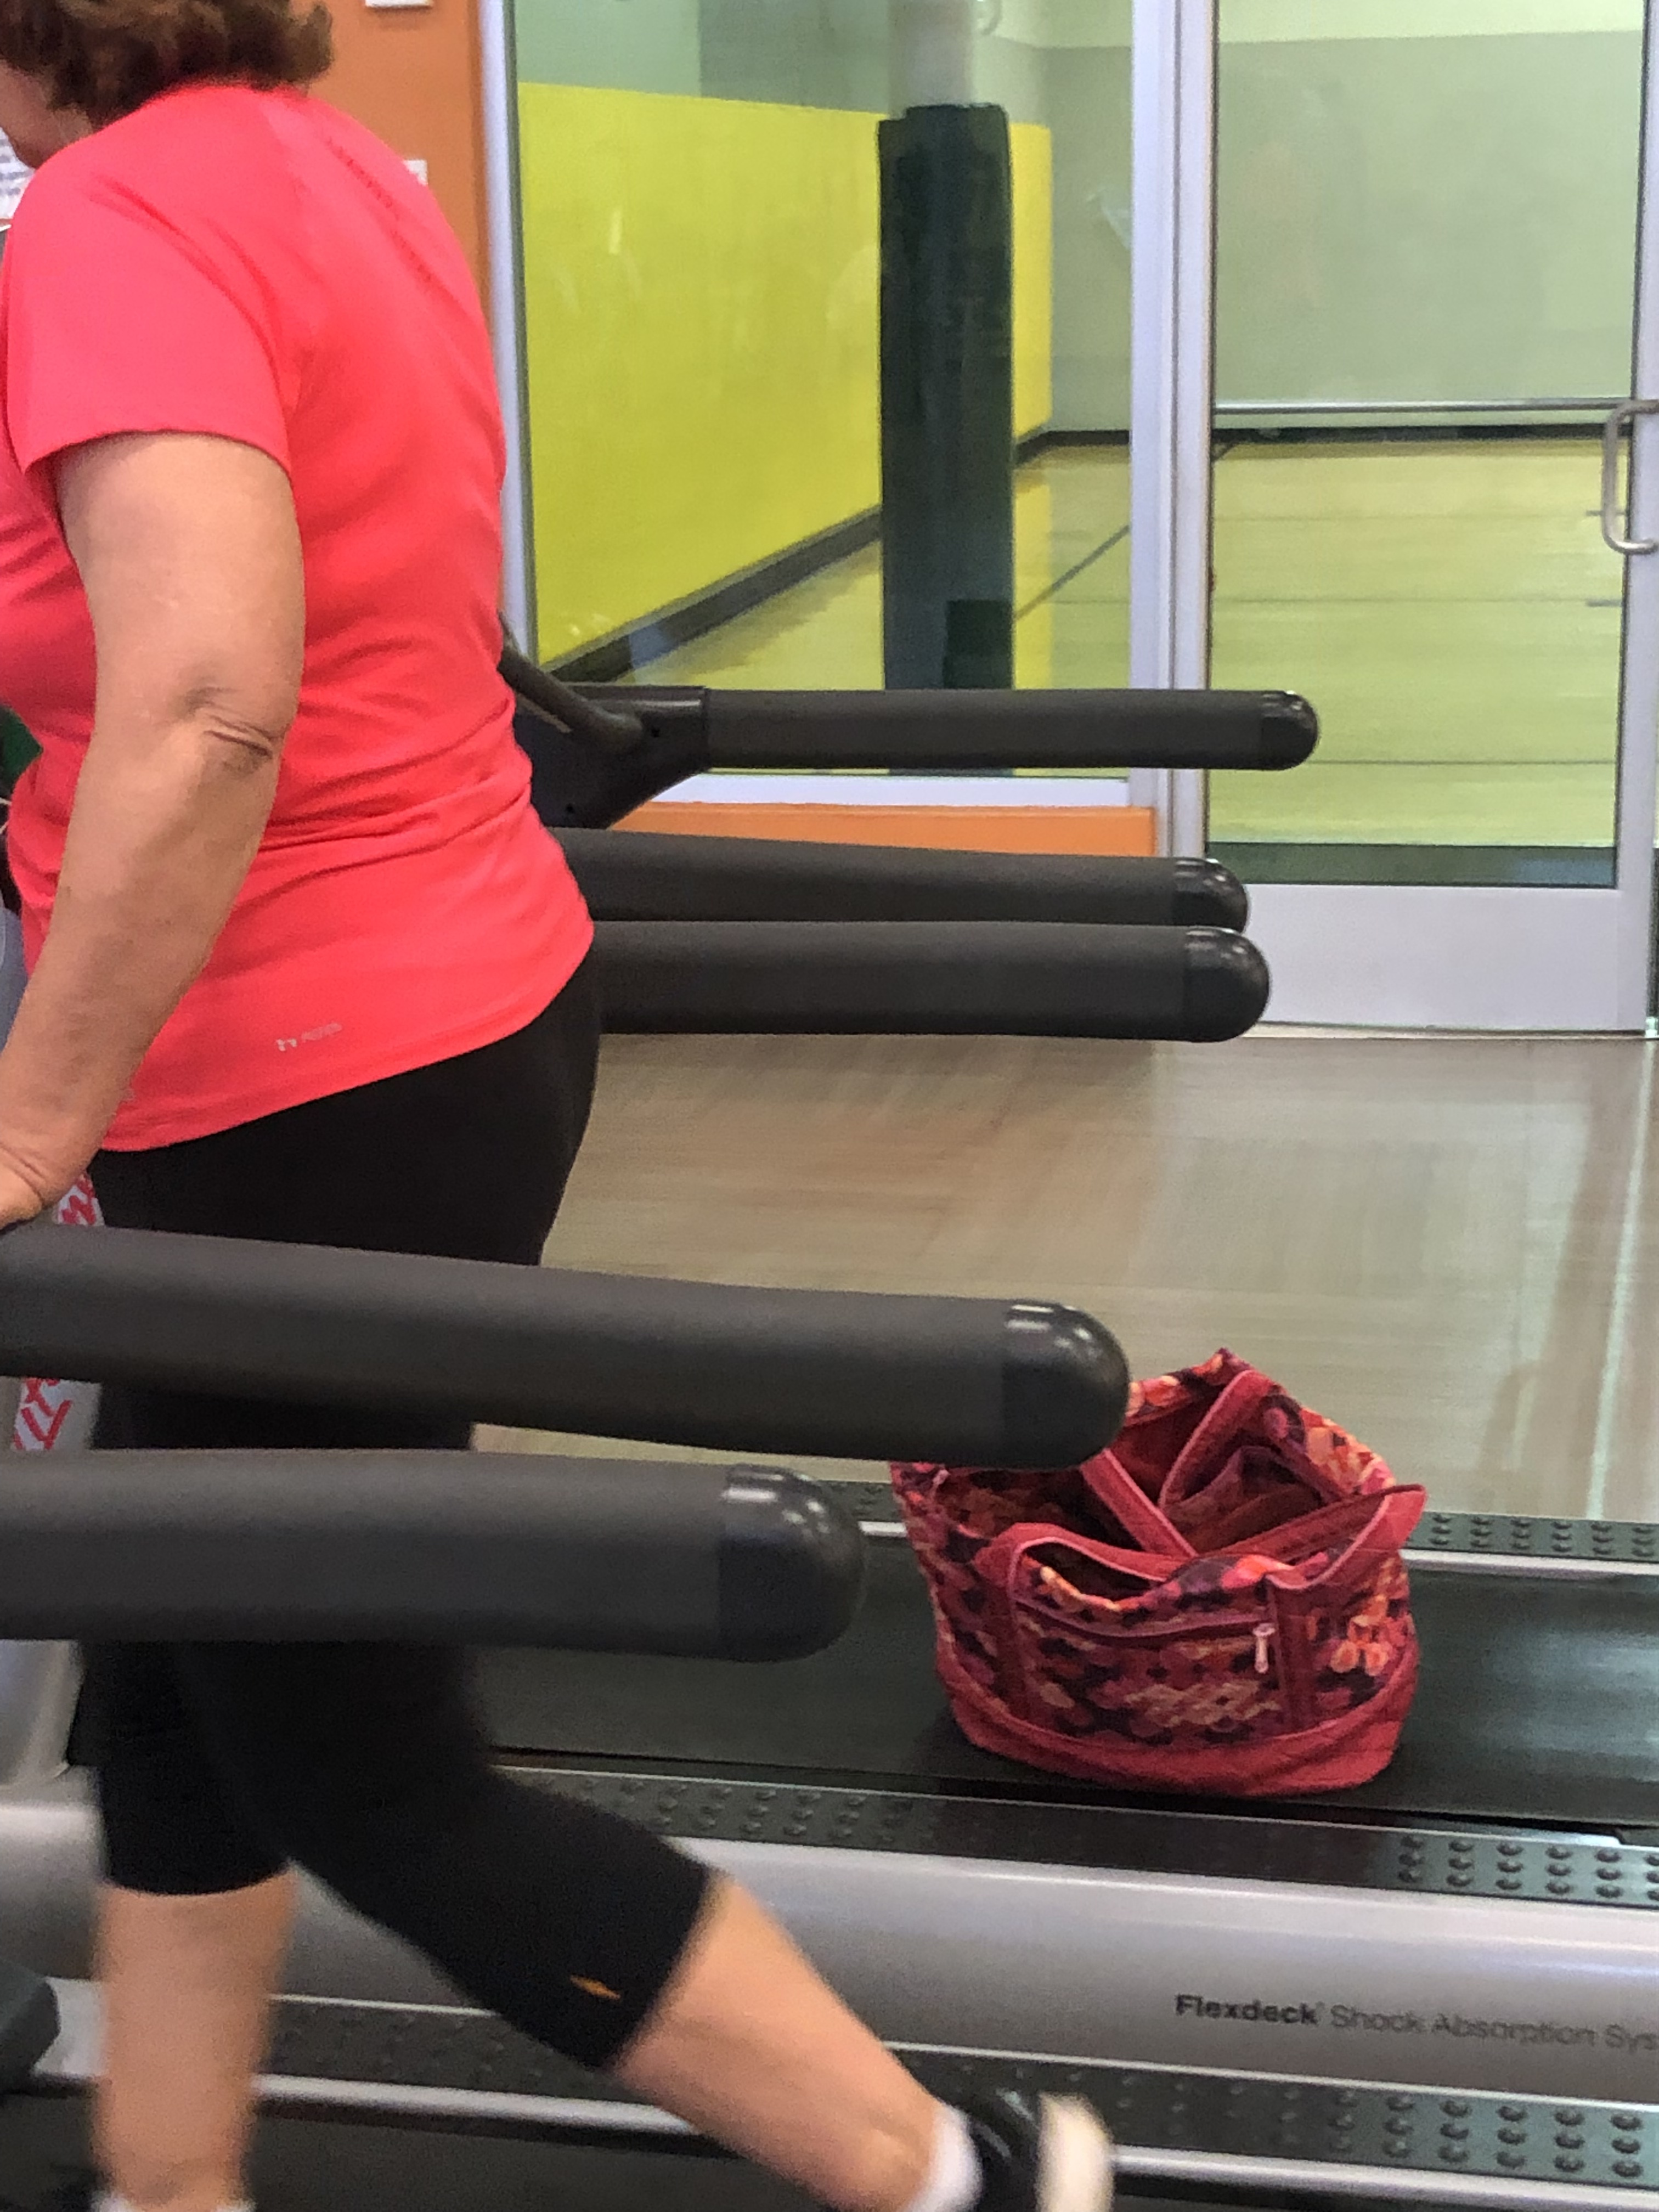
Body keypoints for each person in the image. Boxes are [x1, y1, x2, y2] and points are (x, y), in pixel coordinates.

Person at [0, 8, 1115, 2212]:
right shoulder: (326, 168)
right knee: (184, 1654)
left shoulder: (112, 217)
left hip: (301, 1081)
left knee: (366, 1766)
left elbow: (209, 702)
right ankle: (172, 2186)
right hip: (458, 1004)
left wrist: (26, 1134)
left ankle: (961, 2178)